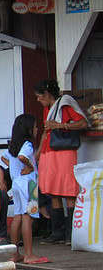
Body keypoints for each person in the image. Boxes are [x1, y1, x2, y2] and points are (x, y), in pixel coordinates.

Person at [34, 79, 88, 243]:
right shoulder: (47, 109)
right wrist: (38, 154)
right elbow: (45, 131)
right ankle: (57, 233)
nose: (38, 100)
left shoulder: (65, 103)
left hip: (64, 152)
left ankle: (71, 234)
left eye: (39, 96)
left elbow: (83, 123)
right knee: (53, 191)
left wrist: (61, 126)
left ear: (47, 94)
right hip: (48, 152)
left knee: (68, 190)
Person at [0, 114, 49, 264]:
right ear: (29, 129)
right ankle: (29, 254)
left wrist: (16, 168)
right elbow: (22, 157)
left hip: (17, 184)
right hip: (29, 184)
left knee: (18, 216)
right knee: (28, 217)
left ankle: (15, 254)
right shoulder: (27, 144)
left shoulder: (14, 144)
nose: (37, 129)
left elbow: (4, 158)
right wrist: (29, 167)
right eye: (35, 127)